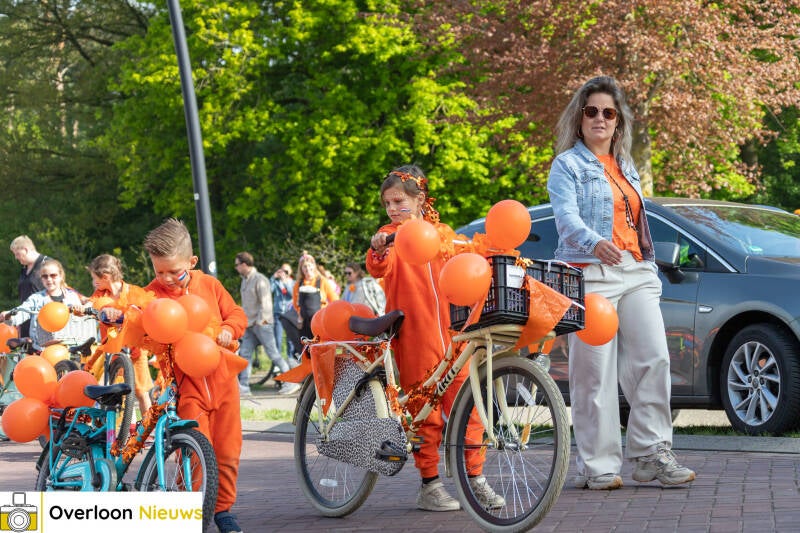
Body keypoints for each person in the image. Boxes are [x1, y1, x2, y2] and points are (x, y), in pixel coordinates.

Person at [547, 76, 695, 490]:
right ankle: (598, 466)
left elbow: (636, 218)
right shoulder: (567, 166)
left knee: (654, 359)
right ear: (579, 119)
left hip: (636, 270)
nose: (600, 118)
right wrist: (594, 242)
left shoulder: (627, 166)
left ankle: (651, 454)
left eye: (608, 113)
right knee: (594, 373)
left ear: (618, 123)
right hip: (591, 270)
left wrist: (643, 259)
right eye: (592, 111)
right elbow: (566, 218)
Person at [367, 164, 503, 512]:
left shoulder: (443, 234)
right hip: (414, 335)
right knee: (423, 412)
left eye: (399, 201)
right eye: (387, 203)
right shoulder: (389, 236)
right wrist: (379, 247)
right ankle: (429, 484)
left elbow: (469, 259)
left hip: (453, 336)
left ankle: (475, 479)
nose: (393, 209)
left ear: (420, 200)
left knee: (469, 408)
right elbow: (378, 265)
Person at [142, 218, 248, 533]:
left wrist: (229, 329)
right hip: (185, 386)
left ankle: (223, 510)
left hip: (223, 380)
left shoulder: (210, 285)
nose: (166, 278)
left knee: (228, 450)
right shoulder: (152, 296)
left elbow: (237, 314)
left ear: (191, 261)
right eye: (159, 272)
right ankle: (190, 510)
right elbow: (134, 317)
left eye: (173, 271)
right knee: (193, 451)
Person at [87, 254, 154, 416]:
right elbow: (91, 303)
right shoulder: (101, 294)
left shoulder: (133, 292)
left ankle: (148, 425)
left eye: (95, 278)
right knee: (109, 387)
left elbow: (145, 312)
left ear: (105, 277)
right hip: (113, 347)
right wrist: (83, 307)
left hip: (136, 348)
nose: (93, 282)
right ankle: (110, 423)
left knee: (141, 391)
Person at [234, 252, 300, 396]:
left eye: (237, 265)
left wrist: (261, 323)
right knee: (245, 355)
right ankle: (243, 387)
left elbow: (266, 304)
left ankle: (291, 382)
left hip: (262, 325)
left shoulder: (260, 279)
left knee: (273, 354)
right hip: (249, 325)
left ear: (244, 264)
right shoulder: (244, 280)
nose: (236, 267)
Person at [0, 258, 97, 352]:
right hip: (42, 350)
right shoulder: (36, 299)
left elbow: (84, 314)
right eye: (45, 276)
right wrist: (8, 315)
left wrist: (81, 310)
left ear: (61, 276)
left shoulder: (72, 297)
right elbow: (20, 313)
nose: (49, 279)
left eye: (53, 275)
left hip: (69, 349)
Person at [291, 253, 338, 350]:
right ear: (301, 269)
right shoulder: (298, 284)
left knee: (321, 348)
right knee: (307, 349)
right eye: (304, 266)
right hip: (304, 322)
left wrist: (328, 315)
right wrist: (300, 314)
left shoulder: (322, 281)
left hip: (320, 321)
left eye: (309, 265)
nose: (307, 268)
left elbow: (334, 300)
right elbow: (296, 304)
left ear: (314, 266)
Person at [9, 235, 49, 337]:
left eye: (17, 254)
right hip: (25, 323)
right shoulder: (24, 268)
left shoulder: (47, 264)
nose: (16, 257)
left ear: (25, 249)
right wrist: (19, 320)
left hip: (42, 324)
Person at [271, 262, 295, 358]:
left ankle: (290, 359)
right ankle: (278, 361)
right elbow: (268, 290)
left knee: (290, 339)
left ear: (290, 272)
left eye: (286, 271)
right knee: (278, 338)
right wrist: (273, 277)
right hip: (278, 313)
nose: (284, 272)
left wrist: (285, 283)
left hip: (289, 313)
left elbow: (292, 294)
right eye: (282, 270)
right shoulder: (276, 283)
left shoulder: (293, 283)